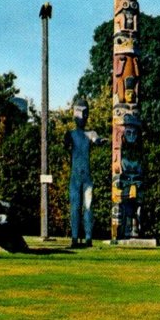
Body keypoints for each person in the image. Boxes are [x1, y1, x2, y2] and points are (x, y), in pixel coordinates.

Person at [64, 98, 107, 248]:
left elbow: (96, 139)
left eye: (84, 113)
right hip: (75, 177)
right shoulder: (71, 134)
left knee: (88, 206)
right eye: (78, 112)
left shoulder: (90, 134)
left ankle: (88, 238)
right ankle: (75, 238)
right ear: (73, 113)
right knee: (75, 207)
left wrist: (100, 141)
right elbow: (65, 144)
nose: (81, 116)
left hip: (86, 176)